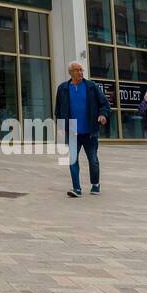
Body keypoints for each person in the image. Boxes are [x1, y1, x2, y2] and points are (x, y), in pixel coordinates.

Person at [54, 61, 110, 197]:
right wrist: (61, 127)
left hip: (89, 130)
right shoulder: (63, 88)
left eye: (81, 70)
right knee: (72, 160)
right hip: (72, 130)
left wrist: (103, 115)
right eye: (77, 70)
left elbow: (104, 104)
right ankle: (76, 188)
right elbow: (58, 110)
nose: (80, 72)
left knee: (93, 159)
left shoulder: (91, 87)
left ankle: (95, 184)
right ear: (70, 72)